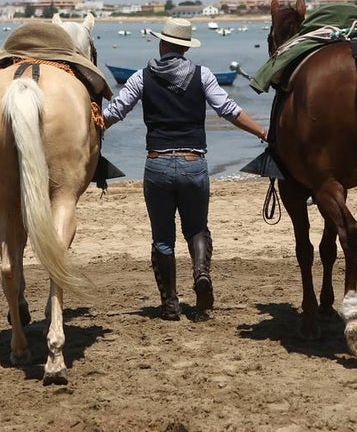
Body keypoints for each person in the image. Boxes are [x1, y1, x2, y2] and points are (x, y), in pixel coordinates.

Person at [102, 17, 267, 322]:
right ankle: (201, 275)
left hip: (157, 163)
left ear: (162, 43)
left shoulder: (141, 77)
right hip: (194, 163)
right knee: (196, 228)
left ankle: (170, 305)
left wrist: (86, 127)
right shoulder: (203, 76)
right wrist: (263, 132)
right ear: (185, 47)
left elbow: (115, 112)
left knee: (163, 238)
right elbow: (229, 110)